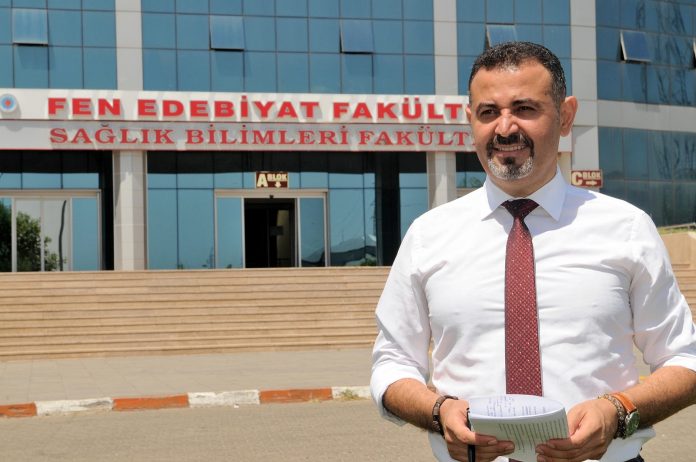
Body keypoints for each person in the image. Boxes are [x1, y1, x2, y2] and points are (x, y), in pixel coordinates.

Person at [370, 41, 696, 462]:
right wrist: (438, 412)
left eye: (525, 108)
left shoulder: (627, 228)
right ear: (470, 120)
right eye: (488, 112)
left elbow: (684, 360)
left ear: (566, 116)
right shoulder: (427, 235)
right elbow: (392, 363)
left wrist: (617, 413)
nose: (505, 128)